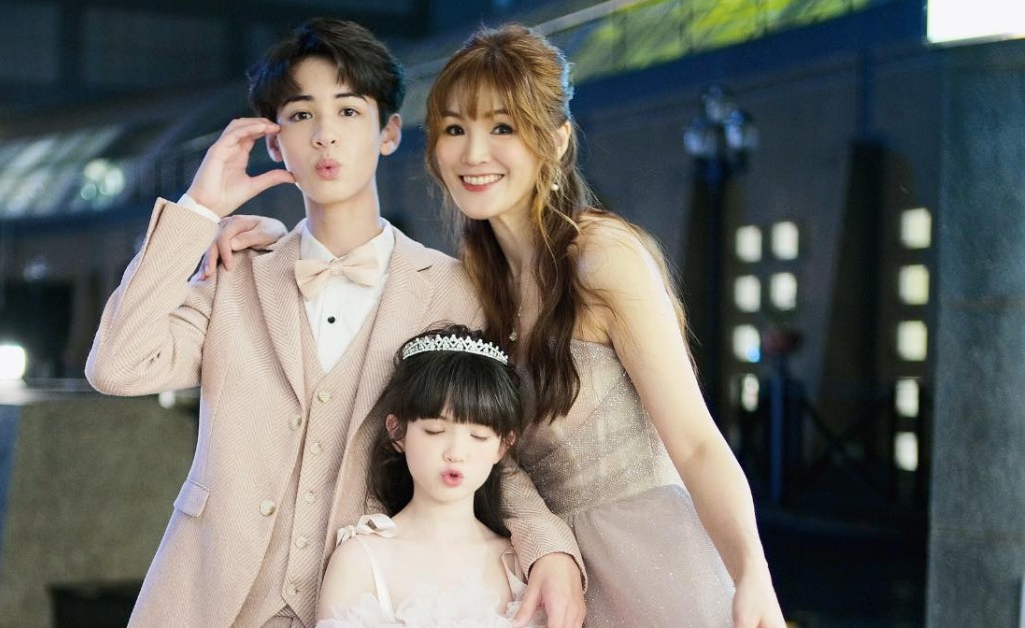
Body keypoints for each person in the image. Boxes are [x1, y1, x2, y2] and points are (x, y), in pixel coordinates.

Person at [86, 18, 584, 628]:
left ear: (389, 132)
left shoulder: (452, 290)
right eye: (301, 115)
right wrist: (198, 212)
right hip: (209, 600)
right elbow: (116, 366)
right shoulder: (234, 273)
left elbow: (482, 440)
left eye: (349, 111)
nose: (325, 135)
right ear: (275, 143)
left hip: (360, 597)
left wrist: (547, 545)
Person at [422, 24, 786, 627]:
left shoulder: (600, 257)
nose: (473, 153)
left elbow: (695, 441)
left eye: (503, 128)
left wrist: (752, 572)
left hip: (653, 567)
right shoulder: (472, 284)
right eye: (454, 128)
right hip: (545, 576)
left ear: (556, 139)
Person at [316, 325, 546, 627]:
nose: (456, 453)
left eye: (478, 436)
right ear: (398, 432)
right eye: (435, 431)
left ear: (503, 446)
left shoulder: (522, 565)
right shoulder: (360, 560)